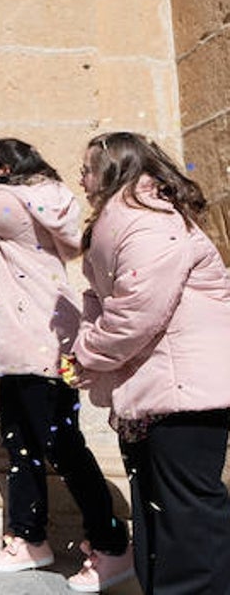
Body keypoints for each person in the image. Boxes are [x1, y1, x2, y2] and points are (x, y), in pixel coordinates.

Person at [0, 109, 132, 592]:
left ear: (5, 173)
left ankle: (113, 546)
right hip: (27, 347)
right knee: (23, 445)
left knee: (63, 447)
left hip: (38, 348)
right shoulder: (27, 201)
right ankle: (30, 538)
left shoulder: (16, 206)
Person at [71, 132, 230, 594]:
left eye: (87, 169)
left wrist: (87, 352)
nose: (81, 179)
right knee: (159, 513)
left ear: (115, 168)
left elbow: (136, 309)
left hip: (184, 393)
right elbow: (104, 300)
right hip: (157, 390)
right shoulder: (126, 222)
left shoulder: (149, 223)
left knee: (187, 516)